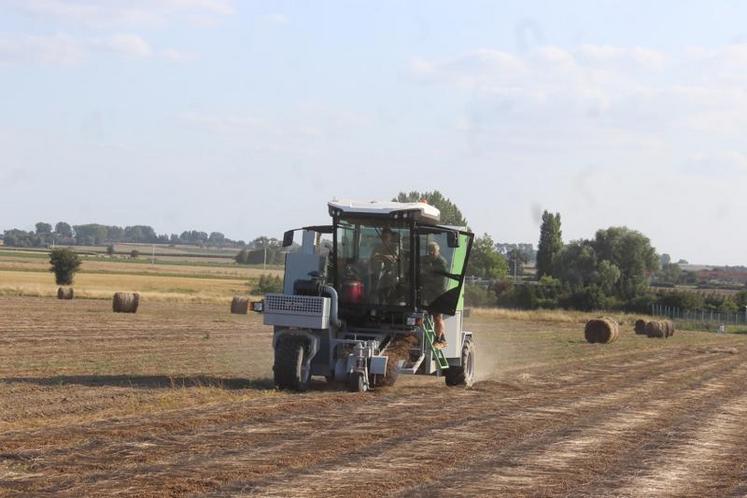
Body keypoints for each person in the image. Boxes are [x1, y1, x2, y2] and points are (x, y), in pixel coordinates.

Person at [421, 241, 448, 348]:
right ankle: (442, 338)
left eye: (433, 251)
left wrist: (427, 279)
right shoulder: (427, 259)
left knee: (437, 317)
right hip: (429, 293)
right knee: (432, 317)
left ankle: (438, 340)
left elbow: (440, 281)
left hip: (438, 293)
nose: (431, 252)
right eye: (430, 251)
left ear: (438, 251)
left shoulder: (441, 262)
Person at [370, 227, 400, 303]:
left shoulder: (394, 246)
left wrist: (381, 256)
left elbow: (394, 258)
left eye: (386, 237)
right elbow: (372, 258)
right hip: (377, 276)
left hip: (390, 277)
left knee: (389, 298)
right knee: (377, 298)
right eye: (383, 237)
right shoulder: (377, 246)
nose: (384, 239)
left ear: (390, 237)